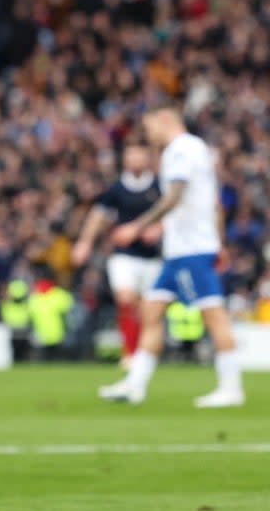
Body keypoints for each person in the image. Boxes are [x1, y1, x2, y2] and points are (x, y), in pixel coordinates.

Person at [99, 105, 244, 407]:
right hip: (183, 249)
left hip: (192, 250)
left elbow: (175, 196)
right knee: (151, 312)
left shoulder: (180, 150)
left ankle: (231, 387)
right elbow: (208, 201)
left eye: (149, 125)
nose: (148, 133)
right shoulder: (195, 149)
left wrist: (137, 227)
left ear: (165, 120)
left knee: (213, 316)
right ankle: (135, 384)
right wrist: (216, 240)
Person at [72, 142, 163, 367]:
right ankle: (130, 353)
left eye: (139, 155)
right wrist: (85, 242)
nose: (134, 160)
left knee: (147, 309)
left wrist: (159, 228)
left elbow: (172, 212)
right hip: (124, 254)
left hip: (152, 257)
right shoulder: (116, 189)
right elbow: (98, 216)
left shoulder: (159, 187)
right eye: (130, 155)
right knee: (125, 299)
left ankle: (144, 352)